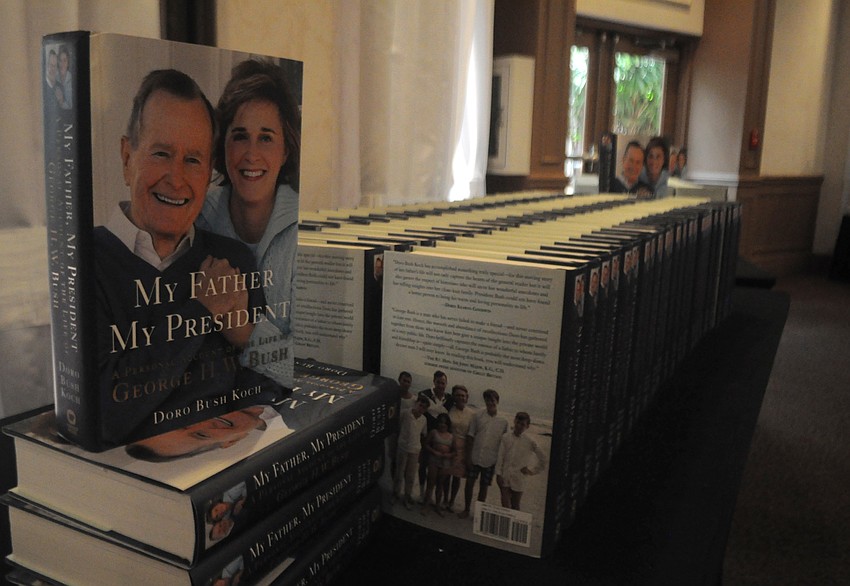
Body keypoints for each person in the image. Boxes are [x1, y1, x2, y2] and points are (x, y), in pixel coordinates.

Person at [96, 69, 283, 443]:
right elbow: (104, 418)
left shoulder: (233, 260)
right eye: (162, 153)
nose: (177, 178)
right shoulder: (83, 263)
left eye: (194, 160)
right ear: (127, 157)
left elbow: (273, 394)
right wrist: (201, 310)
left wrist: (244, 336)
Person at [197, 59, 302, 387]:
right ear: (222, 145)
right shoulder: (196, 217)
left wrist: (243, 331)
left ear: (285, 150)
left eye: (266, 138)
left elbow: (311, 367)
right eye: (240, 136)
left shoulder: (308, 231)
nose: (251, 154)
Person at [459, 389, 508, 519]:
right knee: (469, 483)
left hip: (491, 459)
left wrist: (501, 464)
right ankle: (466, 509)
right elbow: (470, 436)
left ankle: (479, 514)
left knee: (484, 487)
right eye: (487, 399)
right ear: (485, 401)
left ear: (497, 401)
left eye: (492, 400)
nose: (490, 402)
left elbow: (504, 443)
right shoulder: (477, 415)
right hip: (475, 456)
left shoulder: (504, 421)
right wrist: (468, 457)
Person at [496, 412, 547, 511]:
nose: (519, 426)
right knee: (505, 505)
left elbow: (544, 459)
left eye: (522, 424)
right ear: (514, 421)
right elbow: (500, 457)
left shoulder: (530, 441)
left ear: (527, 426)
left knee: (515, 506)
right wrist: (498, 474)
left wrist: (532, 470)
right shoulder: (505, 437)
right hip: (505, 476)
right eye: (518, 422)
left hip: (519, 478)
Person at [418, 370, 452, 497]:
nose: (440, 385)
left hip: (440, 438)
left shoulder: (449, 398)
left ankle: (431, 496)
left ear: (446, 383)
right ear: (434, 382)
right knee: (423, 465)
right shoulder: (424, 394)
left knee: (437, 469)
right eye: (438, 382)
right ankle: (422, 493)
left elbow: (444, 415)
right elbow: (424, 408)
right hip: (425, 435)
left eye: (443, 383)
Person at [394, 395, 430, 509]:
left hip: (415, 450)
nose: (421, 409)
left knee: (410, 476)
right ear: (416, 403)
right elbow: (398, 427)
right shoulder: (405, 413)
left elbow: (423, 434)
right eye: (420, 405)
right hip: (402, 447)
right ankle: (395, 494)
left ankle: (407, 496)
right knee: (399, 473)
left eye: (424, 408)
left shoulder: (424, 419)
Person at [445, 384, 473, 512]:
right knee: (445, 475)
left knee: (456, 477)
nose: (461, 397)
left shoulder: (472, 414)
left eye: (463, 395)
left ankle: (451, 501)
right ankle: (444, 499)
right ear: (454, 397)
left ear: (467, 398)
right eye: (458, 395)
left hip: (462, 449)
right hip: (448, 445)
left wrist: (469, 455)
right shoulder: (449, 410)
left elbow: (472, 435)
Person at [421, 412, 455, 517]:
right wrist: (434, 451)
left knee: (440, 484)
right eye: (440, 422)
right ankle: (426, 506)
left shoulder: (451, 436)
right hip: (433, 460)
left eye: (444, 423)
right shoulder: (433, 432)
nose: (442, 425)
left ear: (448, 424)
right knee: (430, 483)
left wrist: (448, 455)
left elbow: (455, 452)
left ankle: (437, 506)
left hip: (445, 463)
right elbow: (425, 444)